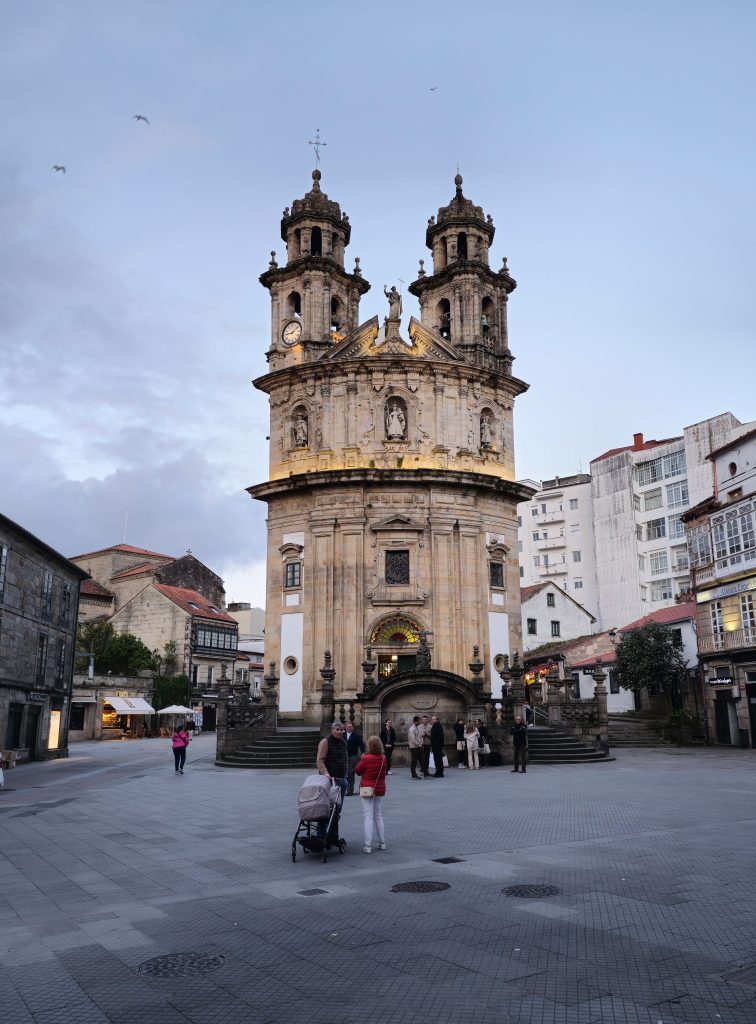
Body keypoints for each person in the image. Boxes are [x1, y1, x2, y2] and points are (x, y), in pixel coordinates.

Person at [354, 735, 388, 853]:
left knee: (368, 817)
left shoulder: (366, 758)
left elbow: (357, 771)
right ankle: (382, 842)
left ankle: (368, 845)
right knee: (378, 816)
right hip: (380, 789)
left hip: (367, 790)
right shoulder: (384, 758)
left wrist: (362, 758)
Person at [315, 721, 348, 839]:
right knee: (326, 808)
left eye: (342, 730)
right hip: (329, 781)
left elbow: (345, 759)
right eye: (337, 730)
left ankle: (333, 834)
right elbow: (320, 760)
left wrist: (346, 774)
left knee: (337, 810)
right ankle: (321, 834)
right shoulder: (325, 742)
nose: (340, 732)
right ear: (332, 730)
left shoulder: (344, 742)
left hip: (342, 780)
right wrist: (326, 773)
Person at [344, 721, 366, 795]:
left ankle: (350, 791)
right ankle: (345, 788)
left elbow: (362, 745)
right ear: (345, 727)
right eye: (347, 726)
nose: (349, 728)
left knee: (350, 773)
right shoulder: (342, 735)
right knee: (345, 774)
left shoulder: (356, 736)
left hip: (353, 756)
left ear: (352, 727)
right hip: (343, 757)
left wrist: (363, 752)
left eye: (350, 726)